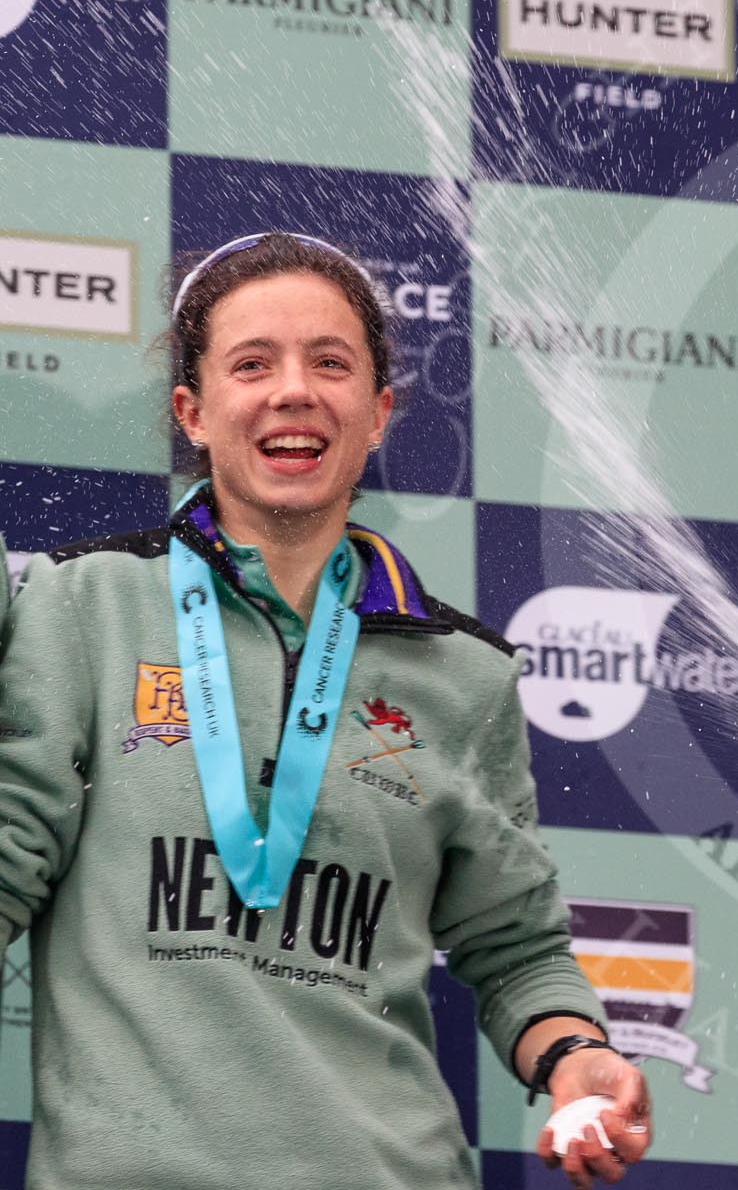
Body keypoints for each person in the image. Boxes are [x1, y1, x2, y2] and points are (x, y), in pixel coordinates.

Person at [0, 233, 652, 1189]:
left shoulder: (464, 675)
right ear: (194, 411)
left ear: (379, 412)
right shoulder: (81, 606)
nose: (294, 390)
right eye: (251, 364)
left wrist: (577, 1060)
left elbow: (516, 951)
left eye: (332, 363)